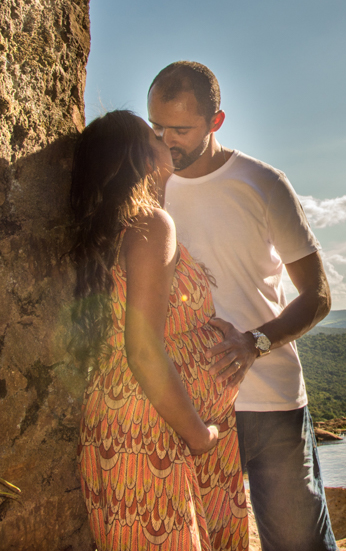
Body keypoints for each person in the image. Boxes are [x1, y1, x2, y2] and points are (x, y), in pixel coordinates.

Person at [147, 61, 338, 551]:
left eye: (181, 129)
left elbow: (318, 296)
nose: (168, 141)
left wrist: (256, 343)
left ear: (217, 121)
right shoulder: (151, 189)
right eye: (158, 127)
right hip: (191, 407)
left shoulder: (263, 183)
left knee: (300, 545)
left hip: (270, 402)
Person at [70, 110, 248, 551]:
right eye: (154, 137)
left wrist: (201, 325)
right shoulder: (149, 224)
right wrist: (199, 434)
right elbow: (144, 349)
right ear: (137, 157)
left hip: (138, 419)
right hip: (155, 427)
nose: (166, 140)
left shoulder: (112, 226)